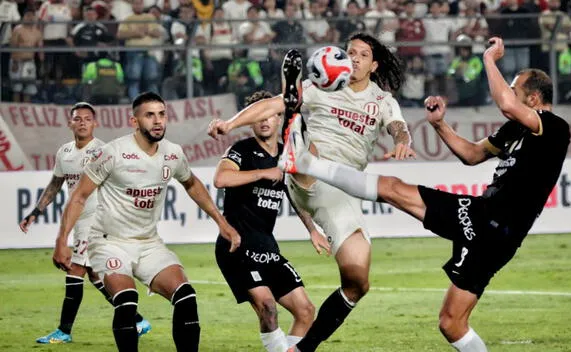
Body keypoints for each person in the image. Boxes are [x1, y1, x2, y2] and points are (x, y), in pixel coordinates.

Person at [276, 37, 571, 351]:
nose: (509, 93)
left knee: (392, 189)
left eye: (516, 89)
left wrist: (488, 58)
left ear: (534, 97)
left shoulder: (553, 127)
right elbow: (472, 155)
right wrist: (440, 124)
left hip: (499, 228)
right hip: (484, 217)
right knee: (451, 323)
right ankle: (306, 162)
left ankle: (306, 162)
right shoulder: (517, 130)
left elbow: (506, 104)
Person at [208, 33, 414, 352]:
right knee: (297, 126)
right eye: (350, 53)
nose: (354, 58)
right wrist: (230, 124)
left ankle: (301, 349)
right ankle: (293, 122)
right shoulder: (321, 88)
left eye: (362, 55)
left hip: (338, 193)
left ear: (374, 65)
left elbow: (398, 126)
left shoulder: (383, 101)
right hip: (305, 168)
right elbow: (267, 105)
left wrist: (403, 141)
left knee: (358, 281)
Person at [52, 92, 241, 351]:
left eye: (162, 114)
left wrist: (222, 222)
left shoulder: (172, 153)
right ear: (134, 121)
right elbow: (78, 197)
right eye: (149, 115)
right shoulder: (113, 153)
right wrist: (62, 240)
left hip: (149, 243)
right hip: (110, 242)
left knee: (187, 298)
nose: (158, 121)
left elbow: (192, 183)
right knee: (127, 301)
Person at [19, 102, 151, 344]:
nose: (82, 122)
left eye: (87, 119)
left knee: (75, 269)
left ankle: (64, 331)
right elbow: (55, 185)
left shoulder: (102, 151)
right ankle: (137, 319)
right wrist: (36, 211)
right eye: (77, 118)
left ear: (95, 123)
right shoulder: (64, 153)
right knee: (94, 274)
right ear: (70, 123)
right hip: (79, 220)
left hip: (97, 220)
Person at [214, 90, 327, 352]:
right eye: (258, 116)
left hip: (266, 247)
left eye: (271, 115)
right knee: (267, 307)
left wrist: (312, 230)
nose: (264, 121)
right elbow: (221, 179)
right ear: (250, 121)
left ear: (279, 119)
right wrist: (264, 173)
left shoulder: (287, 156)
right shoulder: (241, 150)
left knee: (306, 310)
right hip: (236, 246)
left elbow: (296, 196)